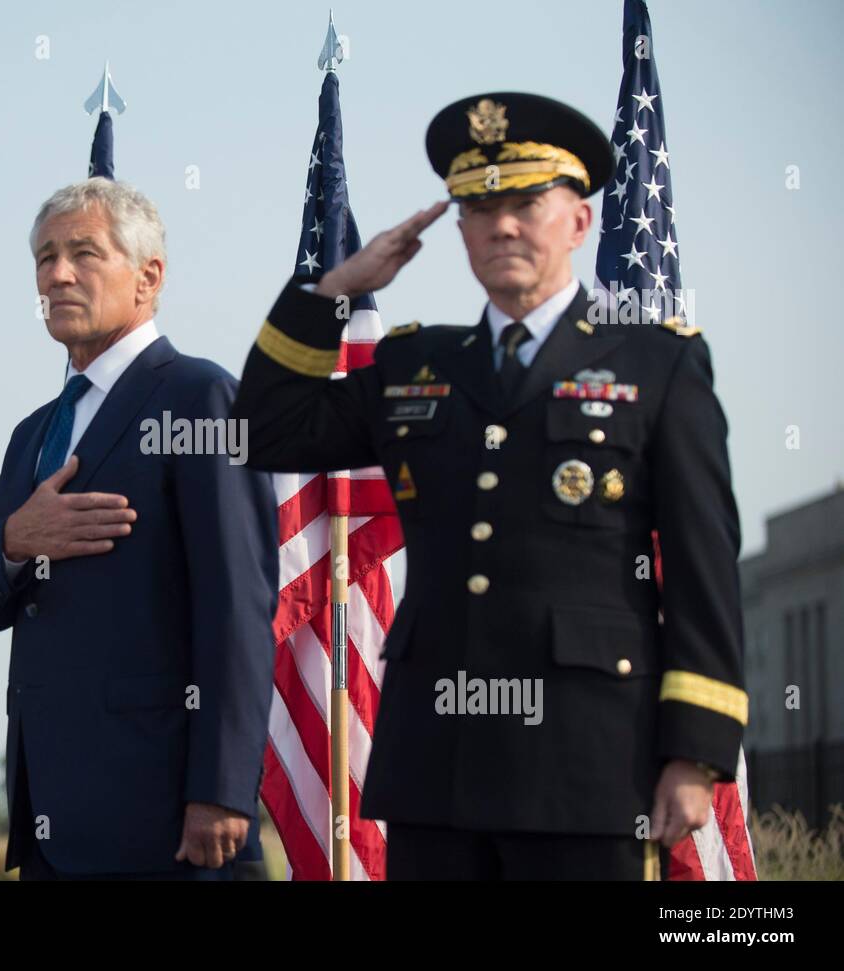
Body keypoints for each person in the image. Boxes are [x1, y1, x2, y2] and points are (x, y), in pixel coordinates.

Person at [232, 92, 746, 879]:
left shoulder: (659, 366)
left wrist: (696, 752)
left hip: (587, 766)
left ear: (578, 221)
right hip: (437, 768)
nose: (502, 225)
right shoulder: (415, 366)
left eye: (526, 203)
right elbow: (264, 430)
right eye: (479, 206)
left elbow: (703, 565)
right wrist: (336, 289)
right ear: (459, 230)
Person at [0, 178, 278, 880]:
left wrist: (220, 789)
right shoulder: (31, 434)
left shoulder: (199, 395)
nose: (57, 273)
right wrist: (15, 539)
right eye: (44, 257)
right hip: (51, 823)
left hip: (167, 820)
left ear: (148, 275)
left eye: (83, 253)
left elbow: (237, 606)